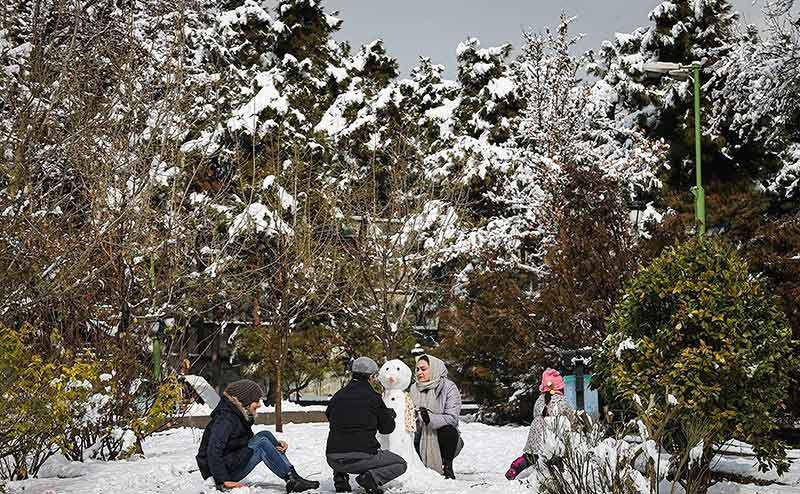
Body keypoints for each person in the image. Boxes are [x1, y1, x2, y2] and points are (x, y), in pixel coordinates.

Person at [196, 379, 319, 492]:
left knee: (265, 435)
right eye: (256, 400)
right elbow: (213, 450)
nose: (259, 404)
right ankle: (292, 480)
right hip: (220, 473)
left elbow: (248, 440)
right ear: (244, 400)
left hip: (229, 463)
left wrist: (276, 446)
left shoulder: (236, 415)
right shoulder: (226, 419)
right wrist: (223, 480)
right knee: (262, 444)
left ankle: (293, 477)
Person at [326, 356, 408, 494]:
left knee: (343, 440)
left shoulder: (338, 395)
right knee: (400, 464)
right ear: (370, 377)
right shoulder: (374, 397)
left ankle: (340, 477)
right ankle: (370, 478)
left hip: (333, 457)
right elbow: (386, 429)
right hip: (362, 456)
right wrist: (389, 415)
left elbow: (330, 415)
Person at [505, 368, 574, 480]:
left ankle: (515, 467)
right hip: (552, 435)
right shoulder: (562, 401)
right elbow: (570, 416)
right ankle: (558, 475)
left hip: (536, 434)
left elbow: (535, 414)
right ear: (560, 387)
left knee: (529, 457)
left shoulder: (539, 400)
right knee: (555, 456)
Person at [410, 354, 464, 479]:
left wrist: (429, 418)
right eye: (417, 369)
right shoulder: (414, 388)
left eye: (423, 369)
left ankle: (447, 465)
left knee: (449, 431)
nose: (419, 372)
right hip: (420, 433)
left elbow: (452, 417)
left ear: (434, 368)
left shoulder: (448, 387)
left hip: (442, 436)